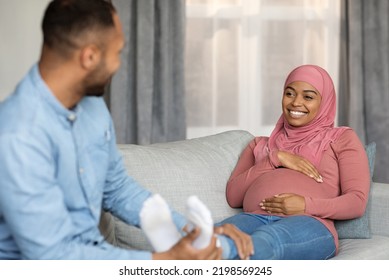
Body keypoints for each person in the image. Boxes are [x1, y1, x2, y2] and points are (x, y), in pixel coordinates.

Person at [0, 0, 253, 260]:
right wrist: (164, 262)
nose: (119, 64)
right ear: (89, 57)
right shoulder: (17, 136)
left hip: (97, 256)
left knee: (231, 254)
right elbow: (54, 257)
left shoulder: (93, 108)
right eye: (117, 52)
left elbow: (117, 187)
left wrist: (193, 233)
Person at [215, 64, 371, 259]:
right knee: (210, 239)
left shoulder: (341, 139)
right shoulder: (259, 145)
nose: (296, 103)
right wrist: (275, 158)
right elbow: (233, 196)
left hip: (310, 222)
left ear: (325, 102)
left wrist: (305, 205)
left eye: (308, 97)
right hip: (254, 217)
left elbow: (356, 202)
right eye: (289, 94)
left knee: (264, 241)